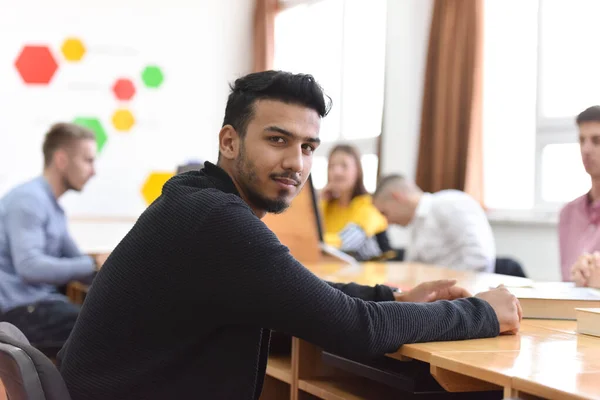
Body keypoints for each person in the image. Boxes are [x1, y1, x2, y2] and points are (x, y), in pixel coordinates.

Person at [58, 71, 521, 400]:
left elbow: (295, 292)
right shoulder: (214, 217)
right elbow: (353, 328)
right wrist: (481, 312)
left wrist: (393, 298)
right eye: (277, 140)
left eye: (308, 147)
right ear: (229, 142)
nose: (296, 163)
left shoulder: (198, 200)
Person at [0, 122, 101, 346]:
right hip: (20, 313)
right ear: (62, 160)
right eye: (88, 160)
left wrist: (107, 265)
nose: (93, 172)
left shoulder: (53, 208)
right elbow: (29, 267)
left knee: (110, 317)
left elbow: (79, 262)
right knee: (103, 326)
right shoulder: (28, 200)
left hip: (42, 306)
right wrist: (92, 265)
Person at [372, 174, 495, 272]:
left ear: (397, 197)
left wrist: (443, 292)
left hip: (459, 297)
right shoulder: (417, 223)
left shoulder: (451, 204)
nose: (386, 222)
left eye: (384, 212)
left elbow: (479, 259)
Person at [320, 144, 393, 261]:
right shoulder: (326, 205)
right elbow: (306, 234)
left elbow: (347, 243)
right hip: (334, 272)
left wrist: (316, 243)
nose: (336, 172)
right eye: (331, 166)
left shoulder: (369, 206)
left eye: (344, 166)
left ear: (357, 170)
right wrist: (319, 201)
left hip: (370, 274)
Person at [560, 106, 600, 287]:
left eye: (597, 141)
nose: (586, 149)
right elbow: (567, 283)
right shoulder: (567, 214)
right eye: (582, 140)